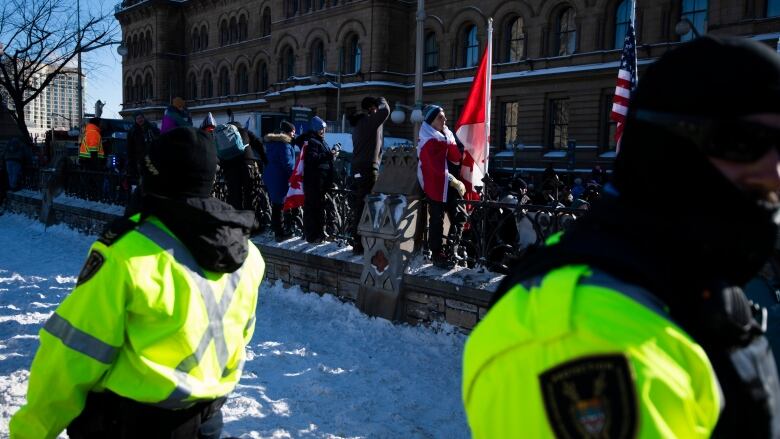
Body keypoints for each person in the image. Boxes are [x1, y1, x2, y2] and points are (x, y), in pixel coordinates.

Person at [462, 36, 780, 438]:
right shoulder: (578, 339)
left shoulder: (689, 277)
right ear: (666, 147)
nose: (774, 171)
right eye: (743, 143)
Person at [9, 126, 265, 439]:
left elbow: (73, 355)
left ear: (151, 177)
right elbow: (240, 335)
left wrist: (31, 431)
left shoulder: (126, 254)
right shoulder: (247, 255)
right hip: (208, 422)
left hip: (134, 425)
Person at [417, 105, 467, 269]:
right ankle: (437, 253)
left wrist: (449, 140)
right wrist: (453, 180)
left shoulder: (445, 136)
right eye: (440, 117)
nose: (445, 120)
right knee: (436, 220)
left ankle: (452, 248)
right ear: (431, 121)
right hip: (436, 186)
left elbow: (456, 157)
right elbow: (434, 169)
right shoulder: (428, 141)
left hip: (449, 185)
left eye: (444, 117)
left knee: (460, 215)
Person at [349, 96, 390, 254]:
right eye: (375, 108)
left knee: (359, 205)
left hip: (358, 169)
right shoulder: (369, 121)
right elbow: (385, 110)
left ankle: (357, 241)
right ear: (372, 108)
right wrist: (381, 100)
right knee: (368, 205)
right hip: (367, 169)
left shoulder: (359, 124)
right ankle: (361, 243)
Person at [302, 116, 336, 243]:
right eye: (322, 129)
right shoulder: (313, 142)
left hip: (320, 182)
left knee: (318, 209)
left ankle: (319, 234)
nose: (324, 131)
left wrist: (331, 155)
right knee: (314, 209)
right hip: (315, 182)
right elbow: (313, 159)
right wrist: (329, 154)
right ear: (317, 129)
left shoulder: (320, 141)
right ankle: (313, 236)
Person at [264, 120, 297, 241]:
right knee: (280, 206)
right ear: (287, 133)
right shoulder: (284, 145)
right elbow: (288, 164)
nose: (294, 134)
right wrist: (295, 175)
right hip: (280, 178)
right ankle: (280, 233)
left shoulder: (272, 143)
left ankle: (276, 230)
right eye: (293, 132)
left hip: (272, 176)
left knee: (276, 205)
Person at [126, 111, 160, 184]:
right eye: (138, 118)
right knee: (142, 177)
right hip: (139, 159)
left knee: (154, 175)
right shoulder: (132, 131)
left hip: (151, 158)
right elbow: (129, 148)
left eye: (141, 118)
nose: (140, 120)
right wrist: (131, 162)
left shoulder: (151, 128)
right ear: (135, 120)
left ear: (144, 118)